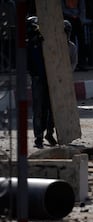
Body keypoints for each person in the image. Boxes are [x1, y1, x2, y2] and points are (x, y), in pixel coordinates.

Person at [26, 16, 57, 148]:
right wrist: (35, 75)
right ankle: (38, 136)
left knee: (52, 108)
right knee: (38, 109)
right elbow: (28, 63)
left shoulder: (47, 41)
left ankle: (49, 133)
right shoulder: (30, 44)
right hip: (38, 79)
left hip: (49, 78)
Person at [61, 0, 87, 71]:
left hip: (78, 19)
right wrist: (71, 15)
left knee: (82, 42)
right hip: (68, 18)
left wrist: (81, 19)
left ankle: (82, 63)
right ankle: (71, 63)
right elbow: (63, 8)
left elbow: (82, 8)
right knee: (70, 41)